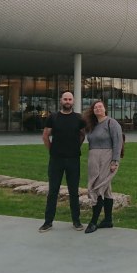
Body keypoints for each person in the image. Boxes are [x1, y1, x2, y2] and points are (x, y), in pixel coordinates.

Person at [39, 91, 86, 233]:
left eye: (70, 99)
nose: (67, 101)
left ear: (73, 101)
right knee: (53, 191)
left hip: (73, 160)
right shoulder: (53, 117)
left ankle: (76, 221)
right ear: (61, 100)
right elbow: (45, 136)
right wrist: (52, 150)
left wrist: (74, 147)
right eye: (65, 99)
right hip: (56, 160)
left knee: (74, 191)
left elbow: (82, 135)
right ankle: (48, 222)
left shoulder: (79, 118)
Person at [83, 99, 123, 234]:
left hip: (106, 158)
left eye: (100, 107)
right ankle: (108, 220)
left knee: (98, 187)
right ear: (93, 111)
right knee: (106, 190)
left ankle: (93, 222)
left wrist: (115, 161)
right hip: (94, 159)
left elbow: (118, 143)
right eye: (95, 108)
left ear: (105, 108)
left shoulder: (112, 123)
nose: (98, 109)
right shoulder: (93, 125)